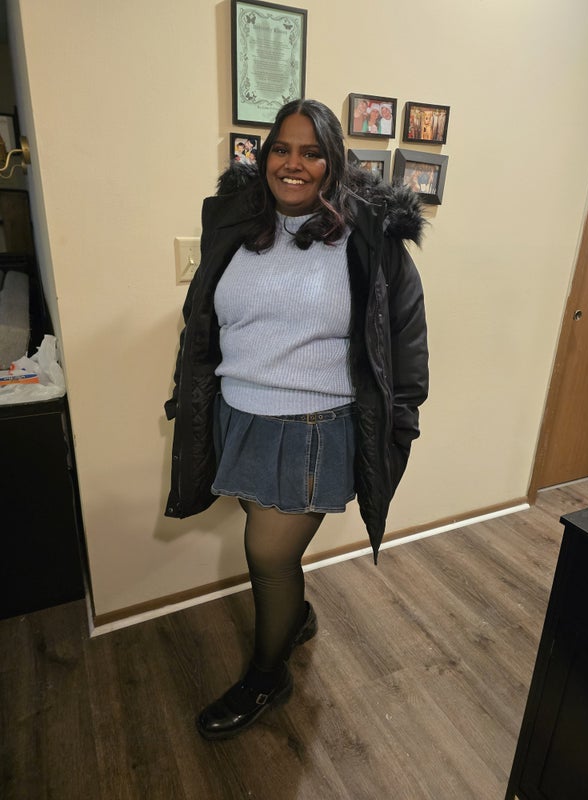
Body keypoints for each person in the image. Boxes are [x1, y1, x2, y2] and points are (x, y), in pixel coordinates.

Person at [165, 99, 428, 740]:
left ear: (333, 162)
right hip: (238, 416)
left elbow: (404, 342)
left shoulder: (370, 240)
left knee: (267, 555)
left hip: (312, 428)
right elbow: (203, 319)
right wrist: (188, 393)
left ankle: (267, 676)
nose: (294, 163)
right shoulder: (235, 224)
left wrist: (402, 424)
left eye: (311, 152)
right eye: (282, 148)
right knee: (269, 542)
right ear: (264, 156)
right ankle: (297, 617)